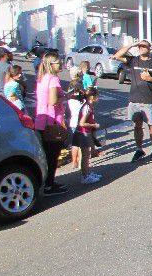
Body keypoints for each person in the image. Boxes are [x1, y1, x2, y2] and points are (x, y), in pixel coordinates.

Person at [112, 40, 152, 162]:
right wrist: (131, 45)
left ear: (150, 48)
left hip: (149, 100)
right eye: (140, 46)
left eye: (144, 46)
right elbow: (117, 56)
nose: (141, 48)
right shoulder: (133, 60)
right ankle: (139, 149)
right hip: (134, 100)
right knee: (137, 126)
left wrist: (150, 78)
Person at [34, 51, 68, 196]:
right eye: (58, 62)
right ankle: (49, 186)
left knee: (47, 155)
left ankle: (48, 183)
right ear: (51, 64)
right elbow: (53, 101)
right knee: (53, 156)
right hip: (53, 122)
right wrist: (68, 96)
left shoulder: (42, 78)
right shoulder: (53, 79)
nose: (61, 64)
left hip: (41, 122)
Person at [74, 87, 102, 184]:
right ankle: (85, 176)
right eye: (97, 96)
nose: (98, 98)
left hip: (86, 133)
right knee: (85, 155)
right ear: (92, 97)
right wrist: (94, 125)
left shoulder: (89, 106)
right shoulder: (87, 108)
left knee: (87, 154)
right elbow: (81, 123)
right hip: (83, 133)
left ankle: (87, 173)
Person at [67, 66, 85, 169]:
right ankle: (80, 163)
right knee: (82, 144)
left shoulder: (70, 88)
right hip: (79, 120)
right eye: (81, 74)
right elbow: (85, 95)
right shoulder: (78, 86)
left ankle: (74, 161)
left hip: (73, 120)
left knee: (75, 143)